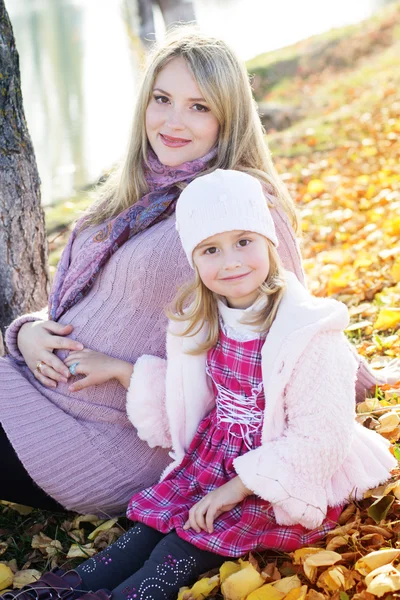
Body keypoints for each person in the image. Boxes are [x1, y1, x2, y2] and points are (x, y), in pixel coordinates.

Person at [0, 29, 395, 515]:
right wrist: (27, 333)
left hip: (101, 440)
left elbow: (290, 342)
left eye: (199, 107)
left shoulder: (241, 208)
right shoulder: (139, 193)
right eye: (162, 99)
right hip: (33, 387)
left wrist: (360, 383)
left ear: (228, 118)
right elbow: (96, 302)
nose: (172, 121)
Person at [4, 170, 395, 600]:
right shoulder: (204, 318)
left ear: (270, 241)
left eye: (244, 241)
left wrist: (235, 487)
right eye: (211, 249)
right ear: (194, 259)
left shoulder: (309, 330)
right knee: (146, 530)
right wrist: (122, 370)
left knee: (185, 541)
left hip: (281, 469)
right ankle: (62, 589)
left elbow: (320, 437)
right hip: (217, 455)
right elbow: (191, 398)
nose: (230, 261)